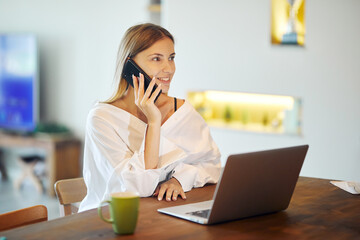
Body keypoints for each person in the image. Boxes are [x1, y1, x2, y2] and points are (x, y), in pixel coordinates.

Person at [79, 23, 221, 212]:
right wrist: (153, 122)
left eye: (171, 58)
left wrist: (179, 179)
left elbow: (212, 165)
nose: (169, 68)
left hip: (161, 216)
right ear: (130, 65)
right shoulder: (102, 119)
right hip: (111, 220)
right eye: (156, 59)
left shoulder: (181, 111)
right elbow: (137, 188)